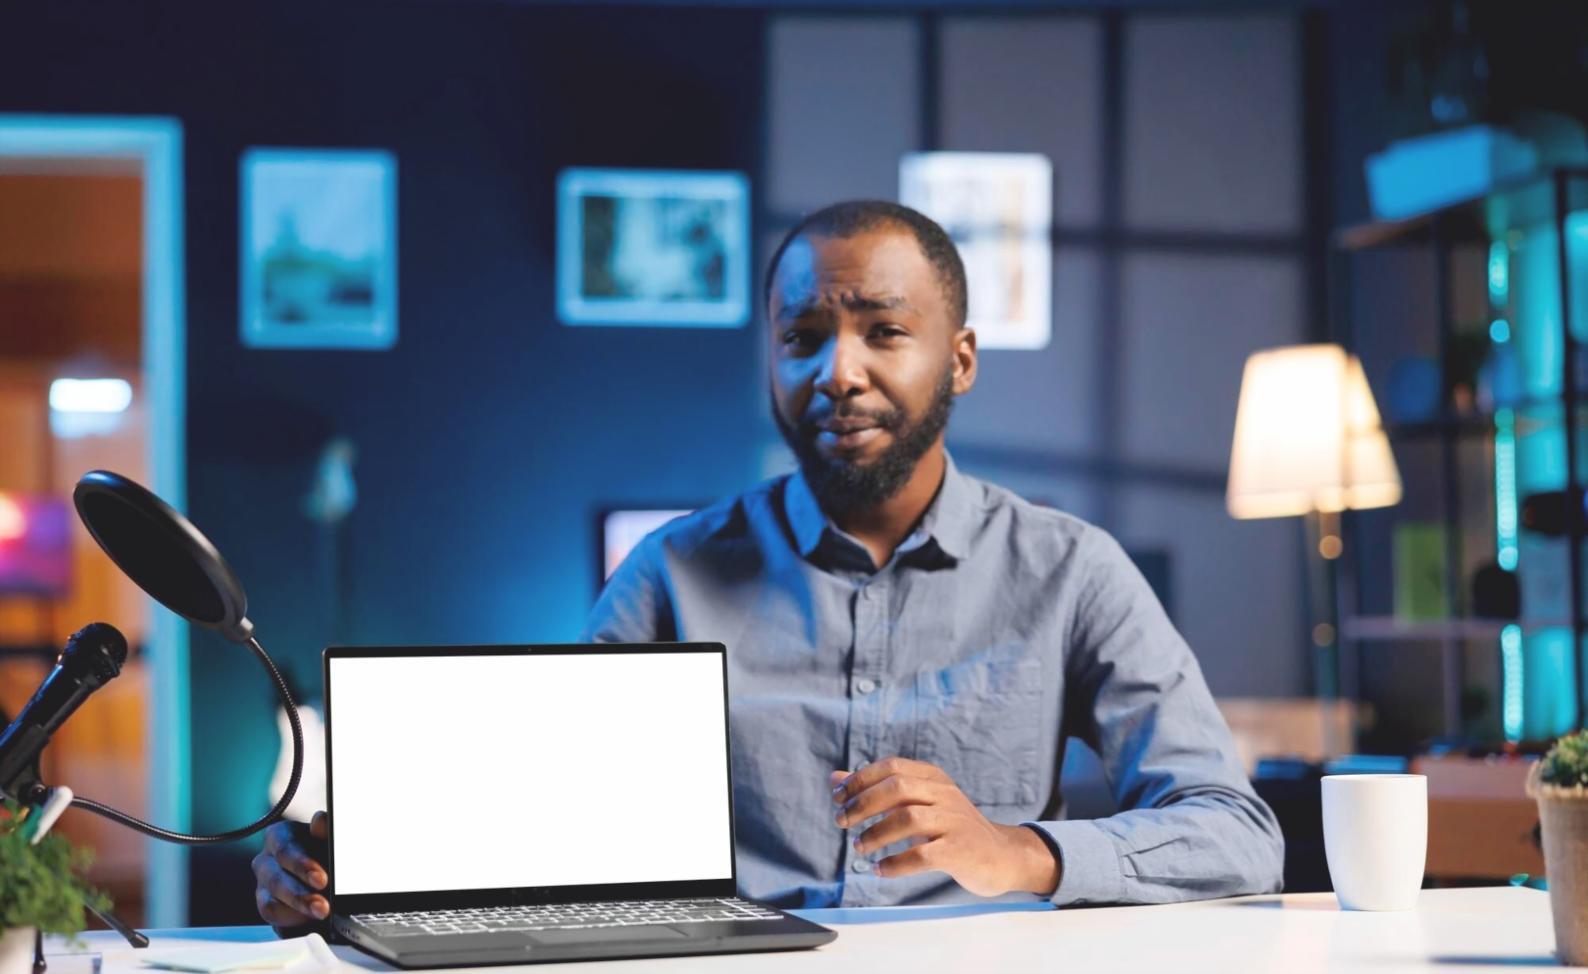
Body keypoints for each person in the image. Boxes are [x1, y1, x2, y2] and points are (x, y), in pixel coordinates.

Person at [253, 200, 1284, 932]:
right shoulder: (672, 571)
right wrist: (347, 871)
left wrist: (1023, 850)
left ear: (959, 358)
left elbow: (1237, 832)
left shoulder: (1071, 570)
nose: (838, 370)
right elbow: (545, 825)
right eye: (803, 335)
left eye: (884, 330)